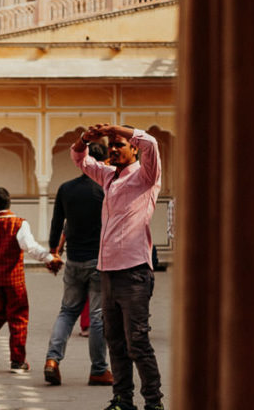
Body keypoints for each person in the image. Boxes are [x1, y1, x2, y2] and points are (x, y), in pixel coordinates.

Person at [73, 124, 165, 410]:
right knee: (115, 341)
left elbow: (151, 143)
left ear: (134, 149)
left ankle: (154, 402)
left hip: (134, 271)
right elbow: (80, 158)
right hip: (108, 270)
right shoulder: (109, 176)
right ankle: (123, 400)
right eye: (110, 145)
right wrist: (85, 139)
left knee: (137, 341)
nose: (113, 149)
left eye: (119, 145)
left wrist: (114, 128)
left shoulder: (146, 176)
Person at [44, 142, 113, 386]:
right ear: (104, 162)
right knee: (97, 316)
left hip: (74, 259)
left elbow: (57, 223)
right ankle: (99, 369)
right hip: (98, 260)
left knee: (67, 311)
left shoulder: (66, 188)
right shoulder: (106, 188)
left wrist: (53, 252)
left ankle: (52, 359)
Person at [0, 187, 56, 372]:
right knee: (18, 318)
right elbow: (30, 247)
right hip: (15, 280)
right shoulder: (20, 224)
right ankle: (17, 361)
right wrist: (49, 258)